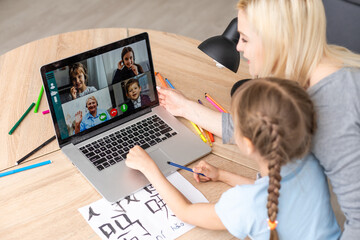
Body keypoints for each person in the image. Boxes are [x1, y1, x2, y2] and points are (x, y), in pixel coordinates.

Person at [157, 1, 360, 238]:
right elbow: (254, 127)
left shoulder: (334, 108)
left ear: (276, 40)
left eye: (244, 38)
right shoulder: (307, 73)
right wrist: (185, 107)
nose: (239, 48)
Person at [126, 78, 340, 239]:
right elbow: (267, 190)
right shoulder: (310, 164)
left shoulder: (246, 205)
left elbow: (186, 212)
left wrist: (150, 169)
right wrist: (222, 174)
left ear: (246, 144)